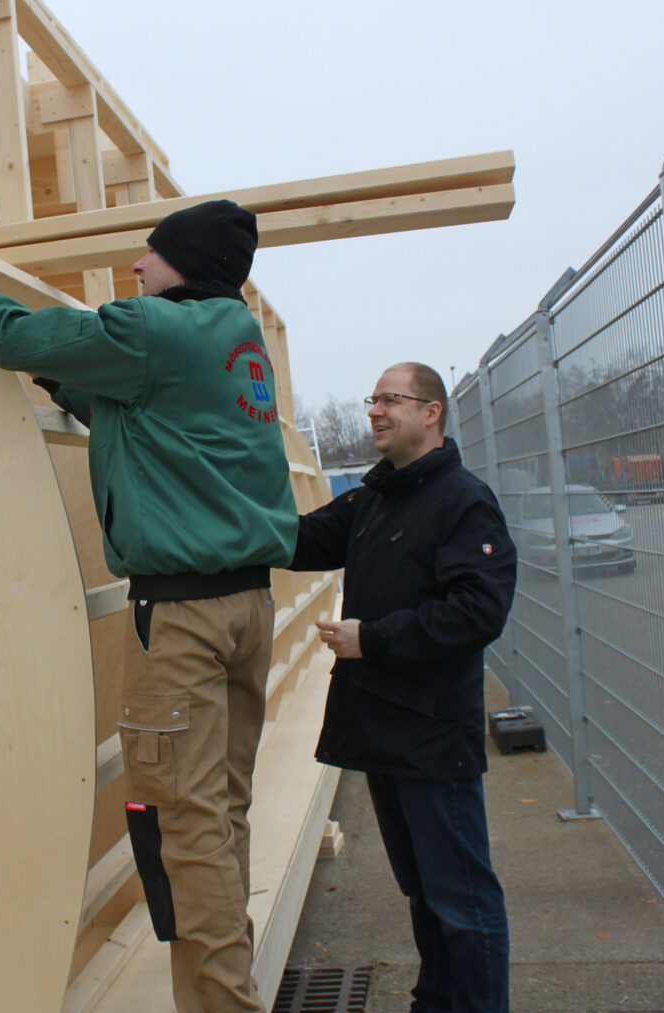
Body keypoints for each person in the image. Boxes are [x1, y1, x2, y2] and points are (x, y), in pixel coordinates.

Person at [0, 200, 296, 1013]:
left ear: (183, 266)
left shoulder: (152, 330)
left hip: (183, 622)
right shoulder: (234, 339)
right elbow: (148, 418)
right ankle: (224, 987)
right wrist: (71, 380)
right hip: (247, 609)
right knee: (220, 813)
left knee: (185, 832)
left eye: (151, 256)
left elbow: (14, 334)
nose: (139, 269)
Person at [290, 362, 517, 1013]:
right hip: (385, 733)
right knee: (424, 891)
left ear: (431, 412)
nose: (376, 411)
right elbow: (302, 538)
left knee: (462, 899)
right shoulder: (377, 496)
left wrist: (373, 638)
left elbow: (478, 612)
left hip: (432, 735)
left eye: (392, 399)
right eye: (374, 399)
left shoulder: (463, 502)